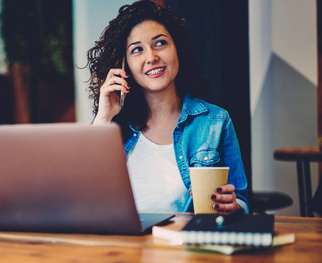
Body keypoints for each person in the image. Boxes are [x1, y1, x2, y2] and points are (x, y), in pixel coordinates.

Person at [87, 0, 248, 214]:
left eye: (160, 43)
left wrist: (234, 206)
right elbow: (86, 198)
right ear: (123, 65)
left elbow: (242, 201)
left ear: (177, 49)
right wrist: (103, 118)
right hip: (125, 246)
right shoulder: (110, 126)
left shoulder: (216, 121)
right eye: (137, 50)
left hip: (188, 244)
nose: (151, 57)